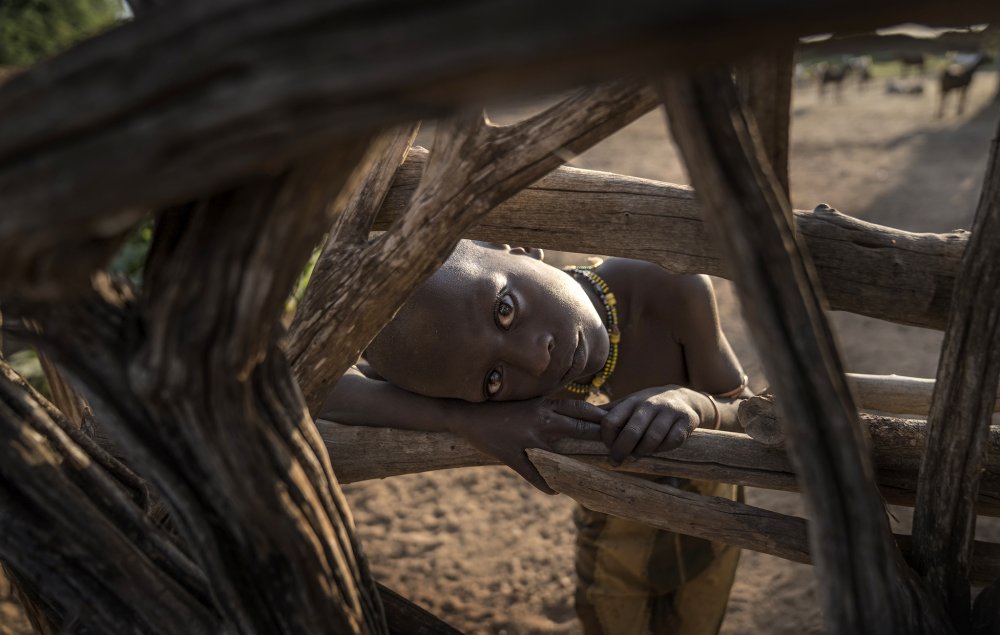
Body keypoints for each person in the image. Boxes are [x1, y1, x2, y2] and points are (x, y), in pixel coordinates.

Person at [322, 240, 752, 635]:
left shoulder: (668, 288)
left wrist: (695, 404)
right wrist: (458, 417)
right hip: (611, 523)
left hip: (709, 511)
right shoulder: (445, 353)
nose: (534, 358)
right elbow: (318, 387)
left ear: (516, 248)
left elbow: (751, 413)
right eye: (493, 380)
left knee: (699, 618)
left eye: (505, 310)